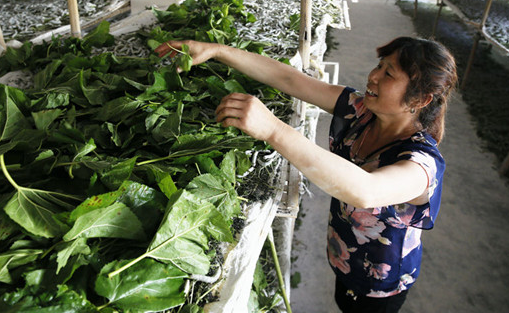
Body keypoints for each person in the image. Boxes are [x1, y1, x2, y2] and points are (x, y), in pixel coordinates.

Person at [155, 36, 458, 313]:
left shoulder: (422, 165)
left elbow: (365, 191)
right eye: (379, 65)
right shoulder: (362, 112)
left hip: (380, 284)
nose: (373, 76)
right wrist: (218, 51)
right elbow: (289, 79)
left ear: (420, 100)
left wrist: (273, 129)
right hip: (344, 258)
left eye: (388, 74)